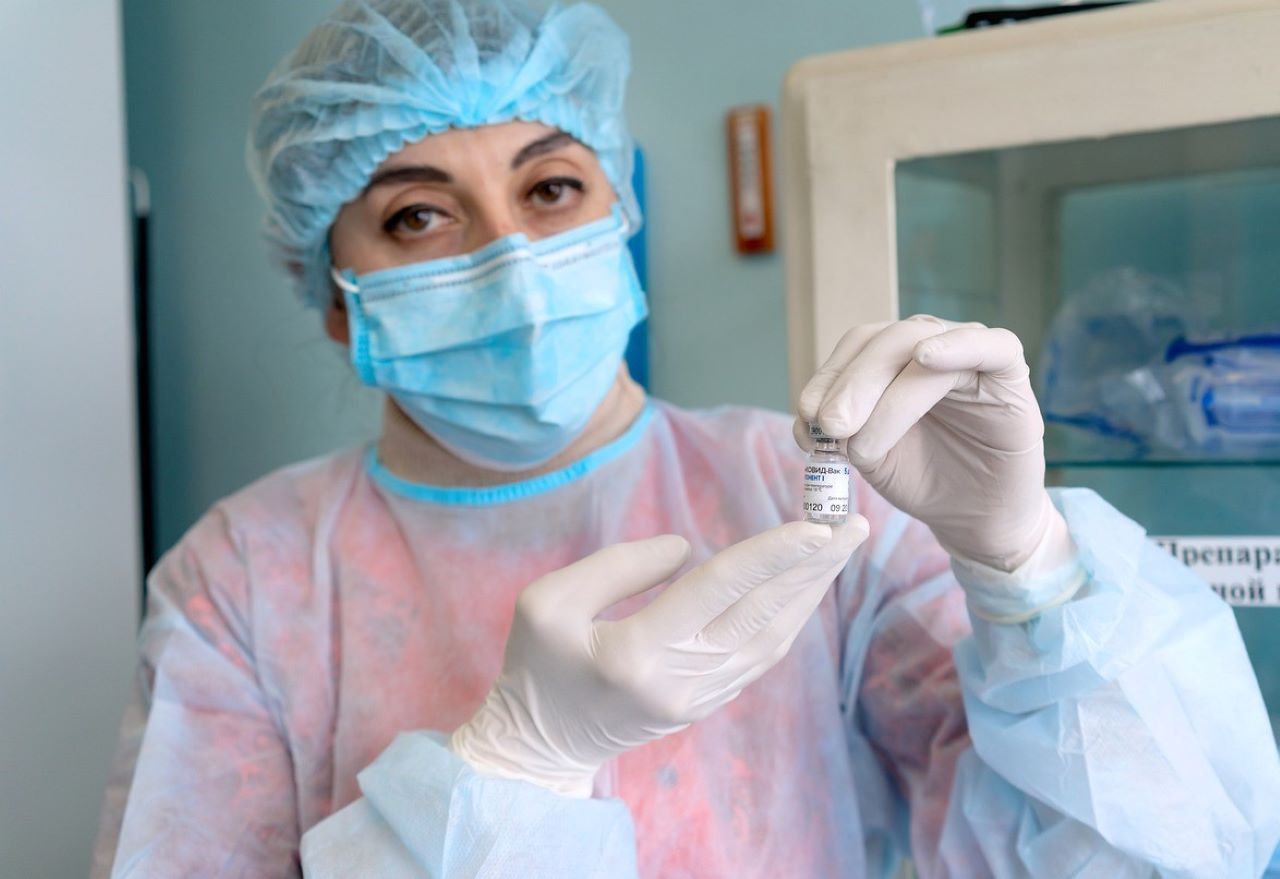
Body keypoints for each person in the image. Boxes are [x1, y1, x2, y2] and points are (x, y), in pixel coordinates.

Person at [93, 1, 1280, 876]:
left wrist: (1028, 574)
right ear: (335, 294)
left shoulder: (794, 492)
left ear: (619, 213)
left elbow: (1147, 855)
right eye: (416, 215)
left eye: (549, 189)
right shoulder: (241, 580)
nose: (508, 255)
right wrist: (511, 769)